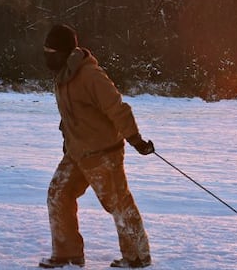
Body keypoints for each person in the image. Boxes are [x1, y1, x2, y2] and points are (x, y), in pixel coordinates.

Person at [39, 24, 155, 269]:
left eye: (50, 51)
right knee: (58, 194)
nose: (46, 56)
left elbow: (117, 108)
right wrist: (67, 138)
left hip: (103, 153)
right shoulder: (62, 75)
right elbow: (71, 114)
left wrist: (135, 139)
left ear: (64, 52)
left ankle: (137, 257)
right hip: (77, 151)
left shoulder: (90, 75)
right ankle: (68, 255)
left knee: (118, 203)